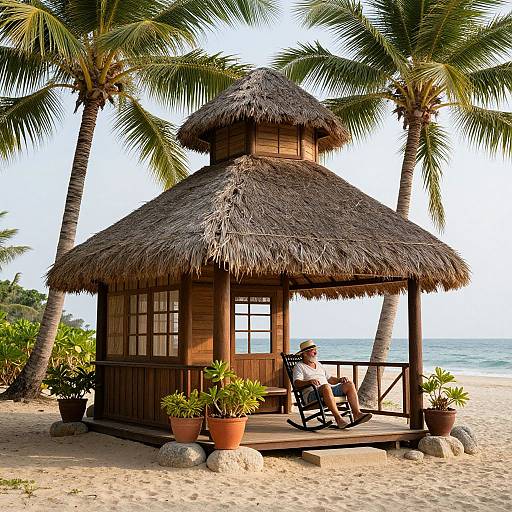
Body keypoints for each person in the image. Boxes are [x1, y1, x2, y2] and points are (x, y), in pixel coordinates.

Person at [292, 339, 372, 429]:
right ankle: (338, 419)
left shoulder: (318, 364)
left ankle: (357, 414)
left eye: (315, 350)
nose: (315, 353)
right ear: (305, 353)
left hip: (327, 391)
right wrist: (309, 382)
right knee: (326, 387)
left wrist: (339, 379)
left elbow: (330, 379)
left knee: (349, 384)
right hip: (312, 395)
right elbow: (296, 383)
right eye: (313, 351)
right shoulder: (299, 366)